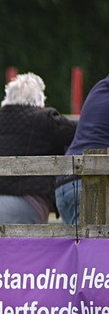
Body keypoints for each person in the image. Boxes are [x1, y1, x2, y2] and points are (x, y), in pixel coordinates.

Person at [0, 73, 76, 224]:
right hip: (20, 202)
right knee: (25, 248)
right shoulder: (45, 118)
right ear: (40, 98)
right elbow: (80, 131)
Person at [55, 72, 109, 225]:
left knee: (85, 247)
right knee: (95, 248)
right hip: (89, 184)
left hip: (65, 184)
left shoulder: (99, 88)